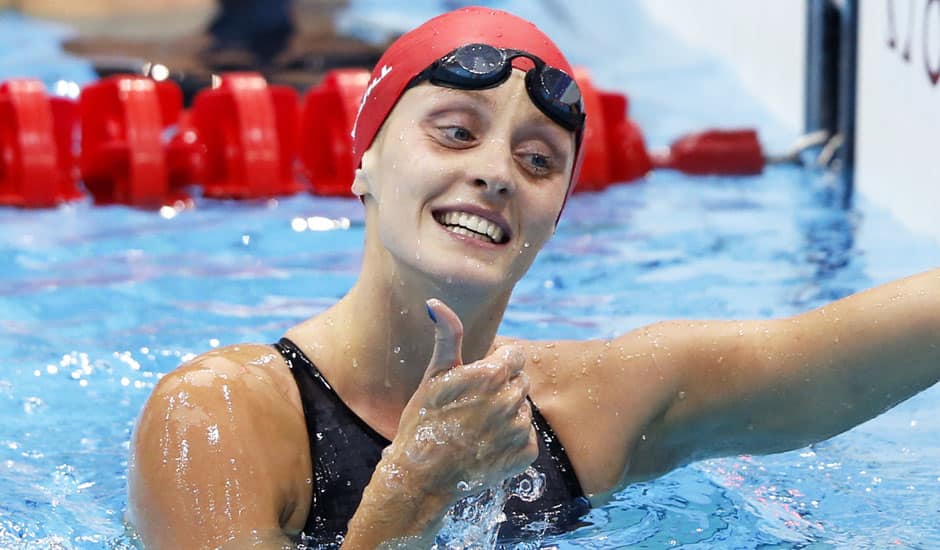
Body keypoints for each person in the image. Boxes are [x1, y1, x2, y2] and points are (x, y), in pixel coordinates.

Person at [126, 6, 940, 549]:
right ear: (365, 160)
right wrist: (411, 494)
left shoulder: (593, 407)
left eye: (538, 159)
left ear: (557, 215)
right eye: (454, 132)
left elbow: (832, 358)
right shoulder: (218, 418)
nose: (496, 173)